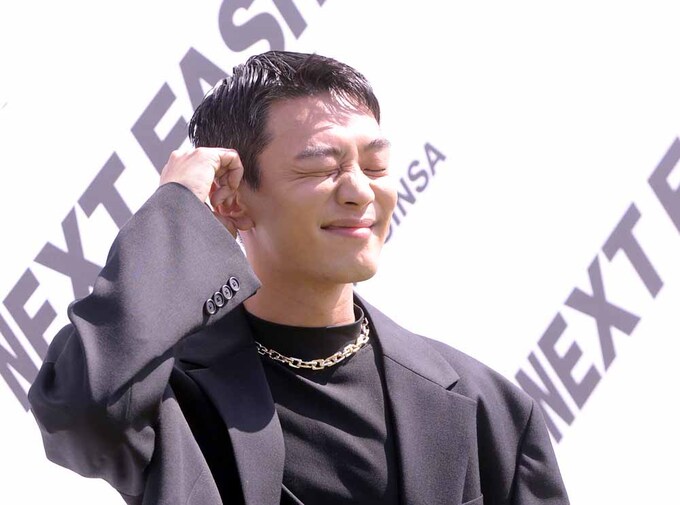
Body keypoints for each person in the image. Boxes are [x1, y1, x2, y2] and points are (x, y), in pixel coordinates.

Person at [28, 51, 570, 505]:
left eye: (375, 167)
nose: (359, 191)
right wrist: (179, 211)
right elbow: (79, 414)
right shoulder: (175, 396)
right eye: (320, 168)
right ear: (233, 201)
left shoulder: (489, 410)